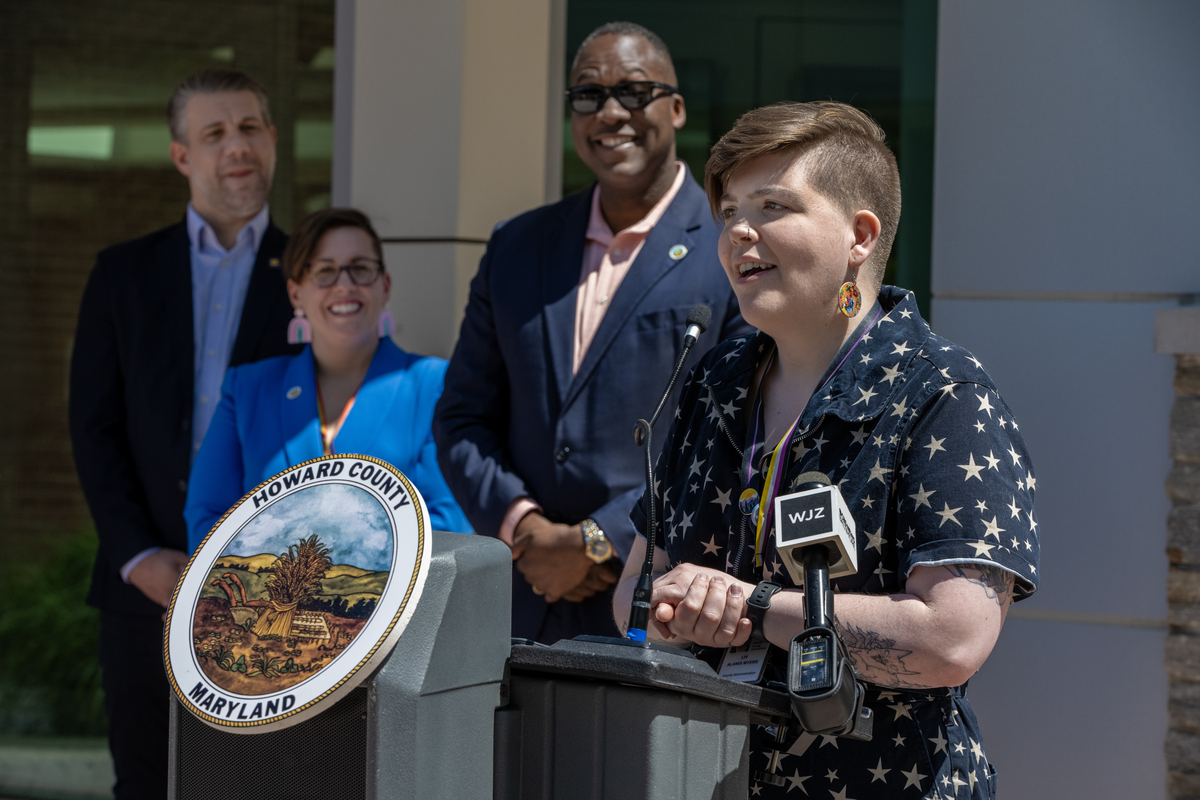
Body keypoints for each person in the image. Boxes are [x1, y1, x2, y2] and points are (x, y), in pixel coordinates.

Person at [614, 101, 1040, 799]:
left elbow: (952, 642)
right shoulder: (714, 381)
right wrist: (676, 611)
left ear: (860, 235)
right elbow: (632, 597)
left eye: (774, 205)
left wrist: (752, 607)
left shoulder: (944, 395)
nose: (738, 232)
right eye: (728, 212)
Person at [433, 21, 753, 644]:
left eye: (634, 92)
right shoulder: (516, 247)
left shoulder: (733, 248)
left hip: (655, 603)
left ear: (677, 108)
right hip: (519, 603)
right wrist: (524, 528)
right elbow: (463, 418)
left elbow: (733, 437)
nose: (611, 112)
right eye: (588, 95)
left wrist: (602, 538)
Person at [68, 69, 299, 798]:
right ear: (181, 157)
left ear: (272, 141)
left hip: (262, 595)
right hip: (144, 587)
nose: (237, 147)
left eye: (250, 128)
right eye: (214, 133)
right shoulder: (121, 275)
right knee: (144, 783)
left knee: (251, 785)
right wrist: (136, 556)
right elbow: (93, 428)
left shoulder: (310, 274)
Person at [185, 208, 470, 549]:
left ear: (385, 285)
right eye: (325, 272)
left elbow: (448, 526)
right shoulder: (245, 390)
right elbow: (209, 519)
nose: (345, 286)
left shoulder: (434, 385)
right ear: (295, 293)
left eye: (361, 269)